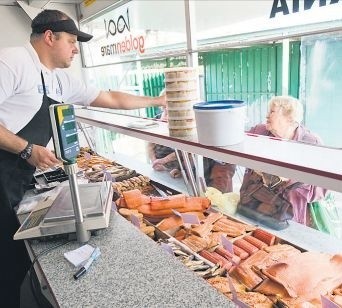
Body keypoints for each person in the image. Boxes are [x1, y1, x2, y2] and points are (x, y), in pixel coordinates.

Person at [0, 9, 165, 307]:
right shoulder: (12, 61)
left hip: (16, 177)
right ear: (50, 37)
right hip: (3, 170)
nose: (76, 48)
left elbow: (111, 98)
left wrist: (157, 101)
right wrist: (27, 149)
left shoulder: (60, 80)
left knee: (12, 258)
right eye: (72, 41)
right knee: (4, 264)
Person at [242, 95, 326, 226]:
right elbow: (237, 147)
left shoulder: (311, 142)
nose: (266, 116)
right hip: (252, 206)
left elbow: (321, 189)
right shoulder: (259, 132)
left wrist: (290, 177)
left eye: (272, 112)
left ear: (290, 119)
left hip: (287, 215)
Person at [147, 106, 182, 178]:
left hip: (178, 168)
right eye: (164, 108)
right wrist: (154, 161)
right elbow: (150, 145)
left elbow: (185, 152)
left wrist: (179, 169)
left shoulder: (181, 122)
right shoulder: (157, 120)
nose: (166, 111)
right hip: (159, 166)